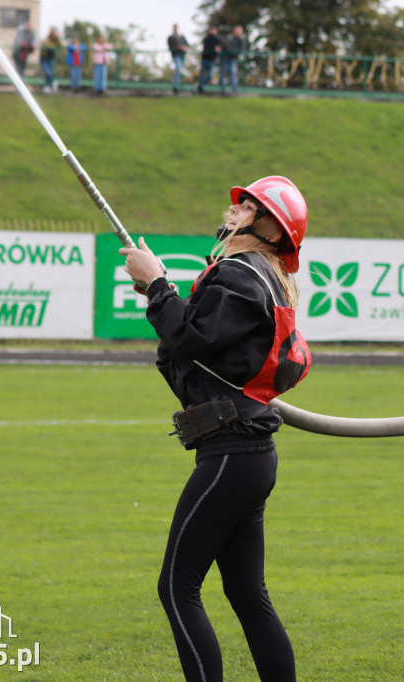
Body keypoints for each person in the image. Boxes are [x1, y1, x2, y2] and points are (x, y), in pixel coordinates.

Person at [119, 176, 311, 682]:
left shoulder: (241, 273)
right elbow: (186, 359)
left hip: (233, 452)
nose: (233, 211)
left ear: (271, 227)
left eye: (248, 207)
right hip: (246, 452)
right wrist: (158, 296)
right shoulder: (252, 275)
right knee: (247, 594)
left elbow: (190, 338)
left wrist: (160, 286)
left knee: (177, 588)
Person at [220, 26, 244, 95]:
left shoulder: (241, 39)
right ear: (234, 31)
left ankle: (235, 89)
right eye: (237, 31)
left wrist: (237, 53)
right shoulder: (229, 38)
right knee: (223, 73)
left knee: (233, 73)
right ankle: (223, 90)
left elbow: (241, 49)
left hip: (233, 58)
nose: (238, 33)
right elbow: (228, 48)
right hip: (225, 57)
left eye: (240, 32)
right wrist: (236, 52)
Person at [197, 26, 221, 94]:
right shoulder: (206, 38)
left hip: (212, 60)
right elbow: (207, 48)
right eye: (213, 30)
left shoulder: (217, 39)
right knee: (203, 74)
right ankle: (200, 88)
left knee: (210, 75)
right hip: (205, 58)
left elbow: (219, 47)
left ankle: (200, 85)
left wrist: (218, 50)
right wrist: (214, 49)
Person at [168, 24, 189, 95]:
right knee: (178, 69)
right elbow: (171, 48)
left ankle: (177, 86)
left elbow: (187, 44)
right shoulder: (170, 38)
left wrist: (184, 47)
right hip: (176, 55)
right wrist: (179, 48)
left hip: (182, 56)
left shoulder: (181, 37)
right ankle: (175, 87)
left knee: (179, 70)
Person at [39, 28, 62, 93]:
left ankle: (47, 86)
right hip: (44, 58)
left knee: (50, 74)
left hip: (51, 59)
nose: (54, 36)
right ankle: (47, 86)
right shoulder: (47, 40)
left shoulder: (56, 39)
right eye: (53, 34)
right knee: (48, 73)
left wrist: (57, 38)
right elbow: (47, 46)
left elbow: (60, 45)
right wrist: (54, 45)